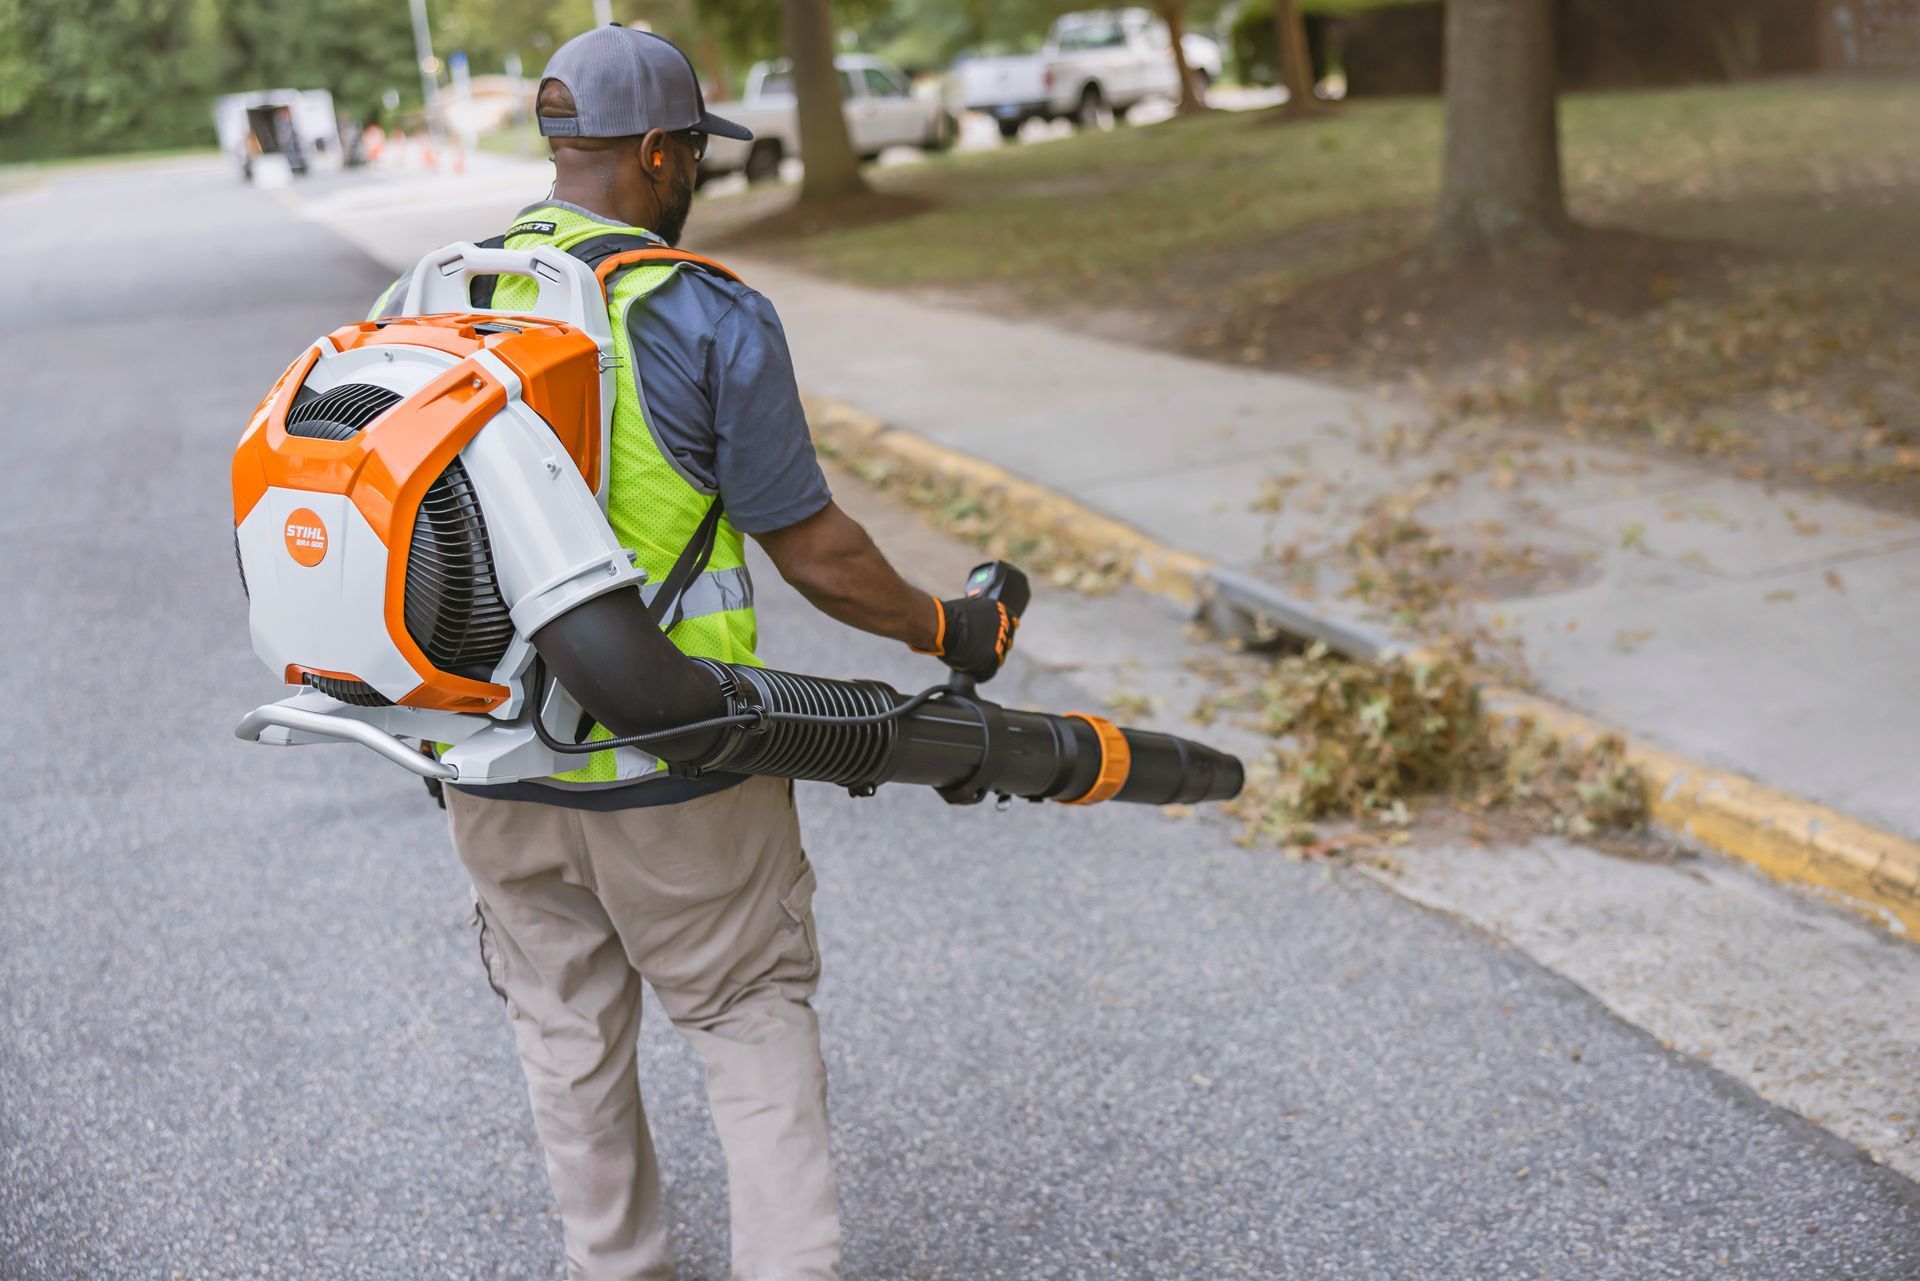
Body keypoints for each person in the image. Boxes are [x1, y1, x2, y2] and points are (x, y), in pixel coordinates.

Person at [367, 24, 1016, 1281]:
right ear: (657, 153)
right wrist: (949, 627)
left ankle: (617, 1265)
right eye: (692, 156)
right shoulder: (700, 309)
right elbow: (813, 549)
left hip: (492, 766)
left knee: (563, 1037)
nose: (696, 178)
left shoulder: (432, 293)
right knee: (744, 1011)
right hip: (676, 766)